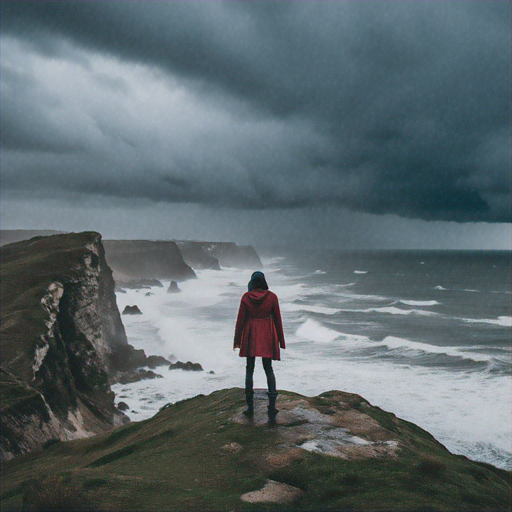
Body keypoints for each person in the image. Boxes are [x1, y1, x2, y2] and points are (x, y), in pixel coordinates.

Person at [233, 271, 285, 423]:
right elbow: (277, 319)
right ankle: (272, 406)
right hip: (267, 334)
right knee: (268, 368)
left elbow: (240, 321)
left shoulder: (246, 297)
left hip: (251, 333)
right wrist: (281, 341)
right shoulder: (272, 297)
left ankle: (250, 407)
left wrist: (237, 341)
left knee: (250, 368)